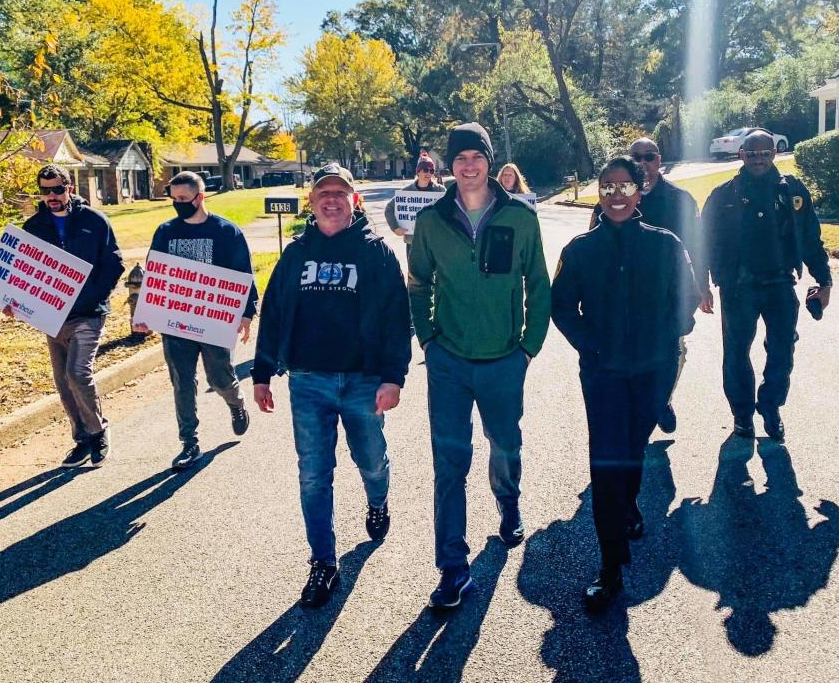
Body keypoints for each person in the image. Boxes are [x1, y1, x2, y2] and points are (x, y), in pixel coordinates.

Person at [252, 163, 411, 609]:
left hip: (363, 380)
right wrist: (262, 372)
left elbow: (399, 318)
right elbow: (276, 312)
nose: (332, 199)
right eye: (324, 192)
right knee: (313, 475)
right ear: (312, 201)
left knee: (371, 461)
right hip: (308, 381)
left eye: (341, 192)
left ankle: (377, 502)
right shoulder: (295, 254)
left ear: (353, 200)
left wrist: (393, 378)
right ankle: (323, 562)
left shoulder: (376, 252)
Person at [408, 122, 551, 610]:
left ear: (490, 162)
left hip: (503, 359)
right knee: (449, 464)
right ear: (450, 166)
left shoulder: (519, 218)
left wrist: (527, 348)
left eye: (477, 157)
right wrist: (428, 338)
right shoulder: (431, 222)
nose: (468, 166)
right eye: (460, 158)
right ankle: (452, 567)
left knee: (504, 444)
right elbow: (418, 284)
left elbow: (539, 283)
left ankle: (508, 501)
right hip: (448, 360)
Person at [551, 156, 699, 612]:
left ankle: (629, 507)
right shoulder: (580, 249)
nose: (616, 194)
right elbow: (561, 308)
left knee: (634, 451)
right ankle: (610, 566)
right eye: (608, 186)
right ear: (600, 193)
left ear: (640, 191)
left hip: (652, 369)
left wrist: (662, 337)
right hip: (604, 375)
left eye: (625, 186)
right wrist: (591, 348)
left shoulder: (665, 244)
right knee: (606, 464)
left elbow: (687, 301)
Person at [698, 129, 832, 441]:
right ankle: (742, 415)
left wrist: (824, 279)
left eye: (764, 153)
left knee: (782, 350)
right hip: (737, 286)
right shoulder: (722, 196)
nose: (758, 159)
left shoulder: (793, 192)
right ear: (741, 155)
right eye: (752, 154)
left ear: (773, 154)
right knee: (736, 354)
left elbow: (811, 237)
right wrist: (701, 285)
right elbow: (704, 241)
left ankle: (770, 406)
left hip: (780, 284)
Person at [133, 171, 257, 470]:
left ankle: (236, 403)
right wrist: (145, 313)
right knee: (182, 382)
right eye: (174, 199)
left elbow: (243, 273)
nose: (178, 204)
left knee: (219, 377)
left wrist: (247, 313)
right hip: (175, 320)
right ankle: (189, 443)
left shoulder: (226, 231)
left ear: (200, 197)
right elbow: (155, 275)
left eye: (184, 199)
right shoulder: (165, 232)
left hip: (215, 320)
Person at [12, 164, 124, 468]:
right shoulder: (34, 227)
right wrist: (12, 300)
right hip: (53, 317)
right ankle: (82, 439)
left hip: (88, 314)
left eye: (57, 189)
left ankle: (99, 431)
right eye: (46, 190)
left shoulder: (94, 221)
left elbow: (114, 264)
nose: (52, 196)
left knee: (78, 373)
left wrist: (92, 298)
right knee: (63, 382)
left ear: (69, 187)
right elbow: (23, 273)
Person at [589, 137, 702, 434]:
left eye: (649, 156)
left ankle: (661, 398)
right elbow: (593, 246)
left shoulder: (680, 200)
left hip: (665, 298)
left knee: (675, 352)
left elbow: (696, 247)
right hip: (620, 297)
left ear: (659, 160)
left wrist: (701, 287)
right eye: (636, 156)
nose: (643, 163)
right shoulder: (614, 197)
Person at [384, 152, 446, 251]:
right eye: (425, 170)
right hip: (413, 243)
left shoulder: (440, 191)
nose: (428, 173)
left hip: (435, 242)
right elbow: (389, 209)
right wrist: (395, 228)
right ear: (418, 171)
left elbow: (451, 209)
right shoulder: (406, 192)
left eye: (431, 171)